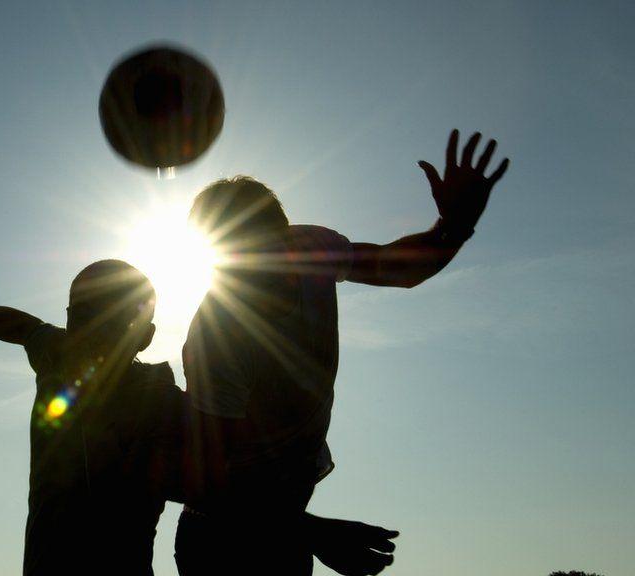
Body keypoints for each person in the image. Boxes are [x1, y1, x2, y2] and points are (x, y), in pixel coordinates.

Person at [0, 260, 399, 575]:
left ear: (144, 335)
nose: (85, 327)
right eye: (79, 312)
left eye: (107, 316)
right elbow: (13, 323)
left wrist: (307, 530)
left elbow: (216, 491)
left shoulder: (160, 400)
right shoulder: (59, 358)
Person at [176, 130, 509, 575]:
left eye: (270, 247)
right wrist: (312, 533)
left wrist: (455, 226)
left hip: (287, 520)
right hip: (222, 538)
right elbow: (207, 485)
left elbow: (400, 269)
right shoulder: (219, 336)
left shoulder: (312, 250)